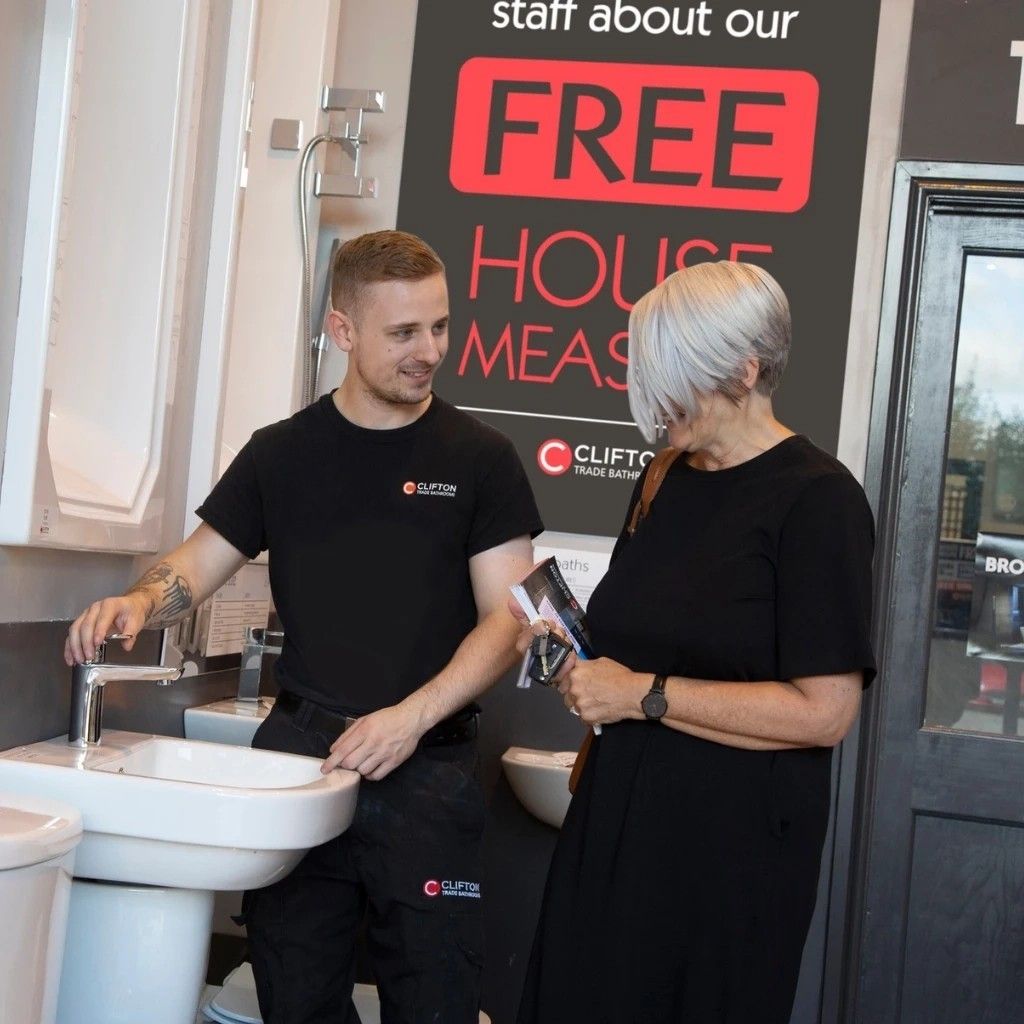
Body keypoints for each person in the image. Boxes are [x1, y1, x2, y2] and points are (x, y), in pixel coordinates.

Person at [65, 230, 543, 1024]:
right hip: (299, 758)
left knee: (437, 1003)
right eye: (404, 332)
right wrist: (140, 603)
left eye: (439, 326)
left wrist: (408, 719)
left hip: (429, 768)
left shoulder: (481, 459)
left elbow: (512, 617)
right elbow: (195, 564)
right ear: (343, 329)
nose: (429, 351)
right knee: (293, 997)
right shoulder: (280, 455)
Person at [514, 261, 875, 1024]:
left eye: (675, 375)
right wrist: (571, 662)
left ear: (745, 371)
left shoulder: (820, 502)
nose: (655, 399)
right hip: (613, 826)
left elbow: (825, 713)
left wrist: (643, 695)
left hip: (730, 857)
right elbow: (629, 652)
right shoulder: (661, 479)